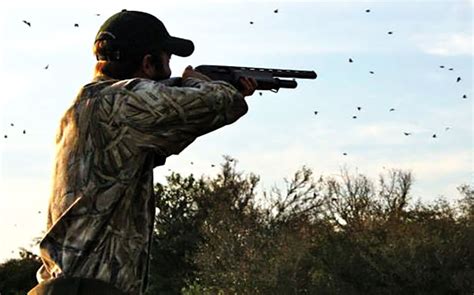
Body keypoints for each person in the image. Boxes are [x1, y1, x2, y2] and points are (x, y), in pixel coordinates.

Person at [28, 10, 257, 295]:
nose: (172, 70)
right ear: (148, 63)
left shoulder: (84, 107)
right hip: (87, 290)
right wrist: (201, 82)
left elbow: (154, 145)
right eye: (168, 61)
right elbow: (220, 102)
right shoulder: (124, 101)